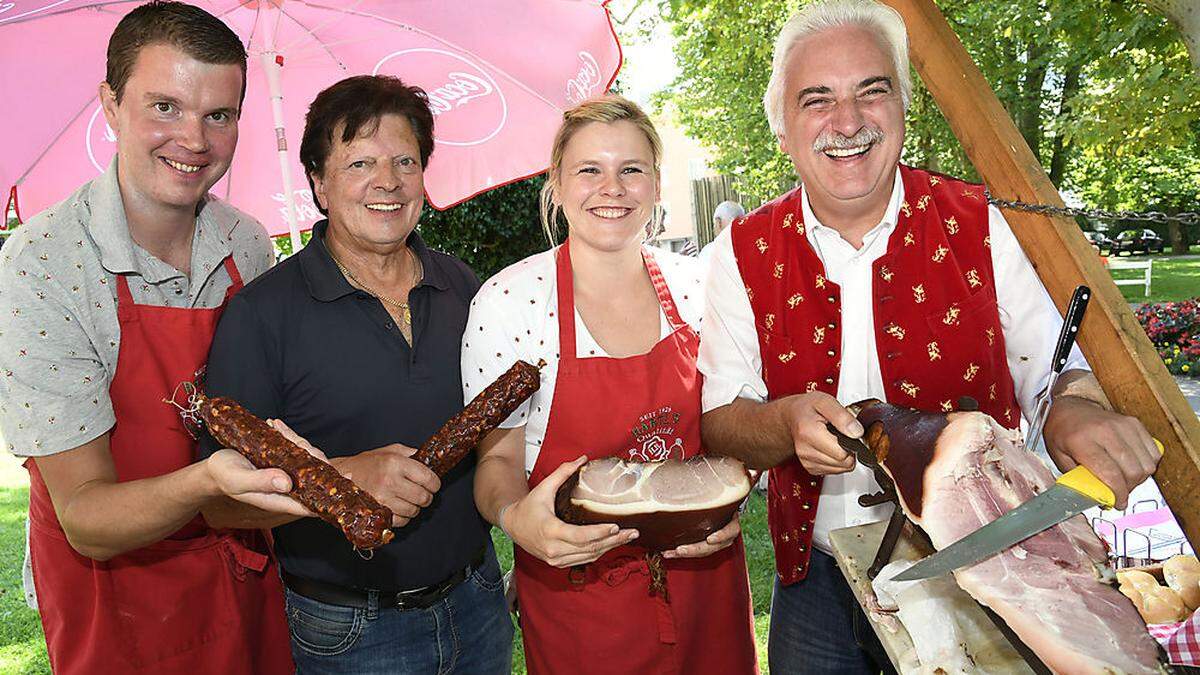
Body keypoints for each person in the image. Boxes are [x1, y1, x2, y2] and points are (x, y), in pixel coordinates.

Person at [696, 1, 1164, 673]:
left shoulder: (982, 222)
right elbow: (720, 417)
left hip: (988, 573)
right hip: (817, 588)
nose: (848, 121)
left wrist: (1076, 407)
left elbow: (1053, 373)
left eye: (872, 90)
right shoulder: (741, 251)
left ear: (904, 109)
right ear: (782, 129)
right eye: (817, 99)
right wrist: (780, 422)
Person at [0, 3, 296, 673]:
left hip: (245, 577)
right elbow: (85, 516)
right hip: (119, 604)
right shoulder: (45, 261)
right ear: (110, 102)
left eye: (219, 114)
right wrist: (206, 483)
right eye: (165, 106)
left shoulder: (247, 244)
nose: (194, 139)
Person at [198, 74, 513, 674]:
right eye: (359, 162)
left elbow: (503, 439)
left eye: (405, 161)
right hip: (350, 631)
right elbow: (221, 504)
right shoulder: (262, 314)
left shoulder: (466, 289)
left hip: (477, 600)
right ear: (318, 183)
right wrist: (335, 482)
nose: (388, 181)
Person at [465, 95, 758, 675]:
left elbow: (736, 424)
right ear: (556, 183)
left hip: (704, 581)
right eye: (589, 170)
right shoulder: (510, 303)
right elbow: (495, 461)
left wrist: (735, 496)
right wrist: (516, 517)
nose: (612, 188)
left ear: (655, 182)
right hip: (580, 599)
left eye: (631, 169)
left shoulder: (700, 287)